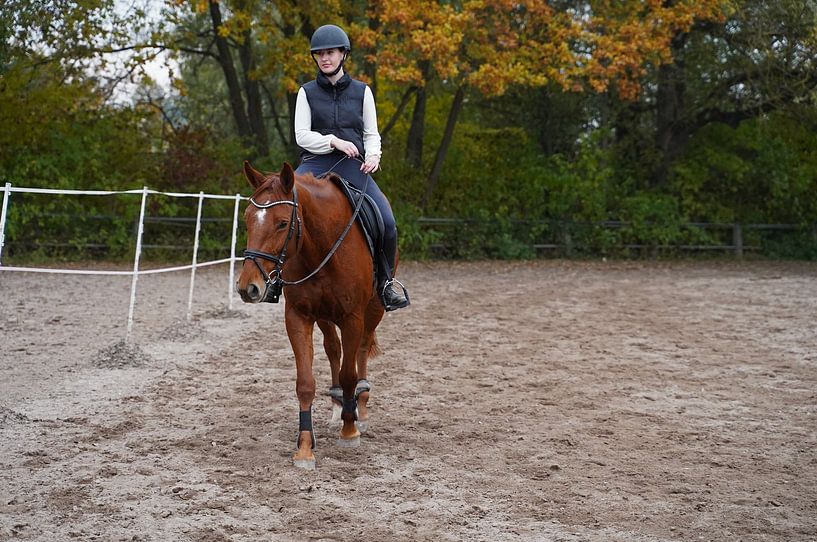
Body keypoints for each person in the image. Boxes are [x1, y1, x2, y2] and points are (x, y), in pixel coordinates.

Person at [294, 24, 409, 311]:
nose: (325, 59)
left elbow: (371, 134)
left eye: (330, 53)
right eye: (319, 54)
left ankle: (385, 283)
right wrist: (333, 141)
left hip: (353, 165)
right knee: (282, 208)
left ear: (343, 54)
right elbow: (301, 135)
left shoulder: (362, 92)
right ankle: (276, 280)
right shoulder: (306, 92)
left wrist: (374, 157)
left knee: (388, 222)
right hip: (315, 163)